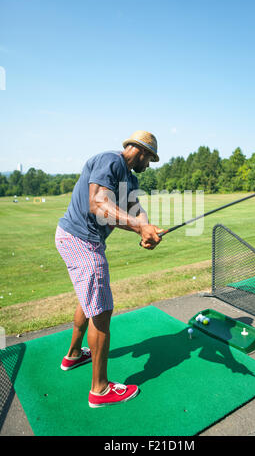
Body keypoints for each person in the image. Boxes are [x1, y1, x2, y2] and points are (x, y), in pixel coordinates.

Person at [55, 130, 163, 408]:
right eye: (150, 159)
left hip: (80, 239)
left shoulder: (130, 177)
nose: (149, 165)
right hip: (82, 240)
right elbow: (98, 204)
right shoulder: (111, 161)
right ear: (141, 151)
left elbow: (137, 210)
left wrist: (145, 230)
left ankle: (75, 354)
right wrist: (141, 227)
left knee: (88, 297)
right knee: (102, 311)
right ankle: (100, 390)